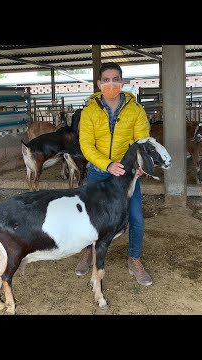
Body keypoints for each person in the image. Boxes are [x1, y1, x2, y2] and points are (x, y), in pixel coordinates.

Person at [76, 62, 152, 286]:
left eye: (116, 79)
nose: (111, 84)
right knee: (90, 218)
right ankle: (87, 253)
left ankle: (134, 259)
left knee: (136, 217)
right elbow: (86, 145)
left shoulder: (135, 110)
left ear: (122, 82)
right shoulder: (89, 111)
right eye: (106, 80)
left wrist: (139, 165)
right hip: (99, 173)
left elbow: (142, 141)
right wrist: (108, 164)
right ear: (99, 84)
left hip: (127, 175)